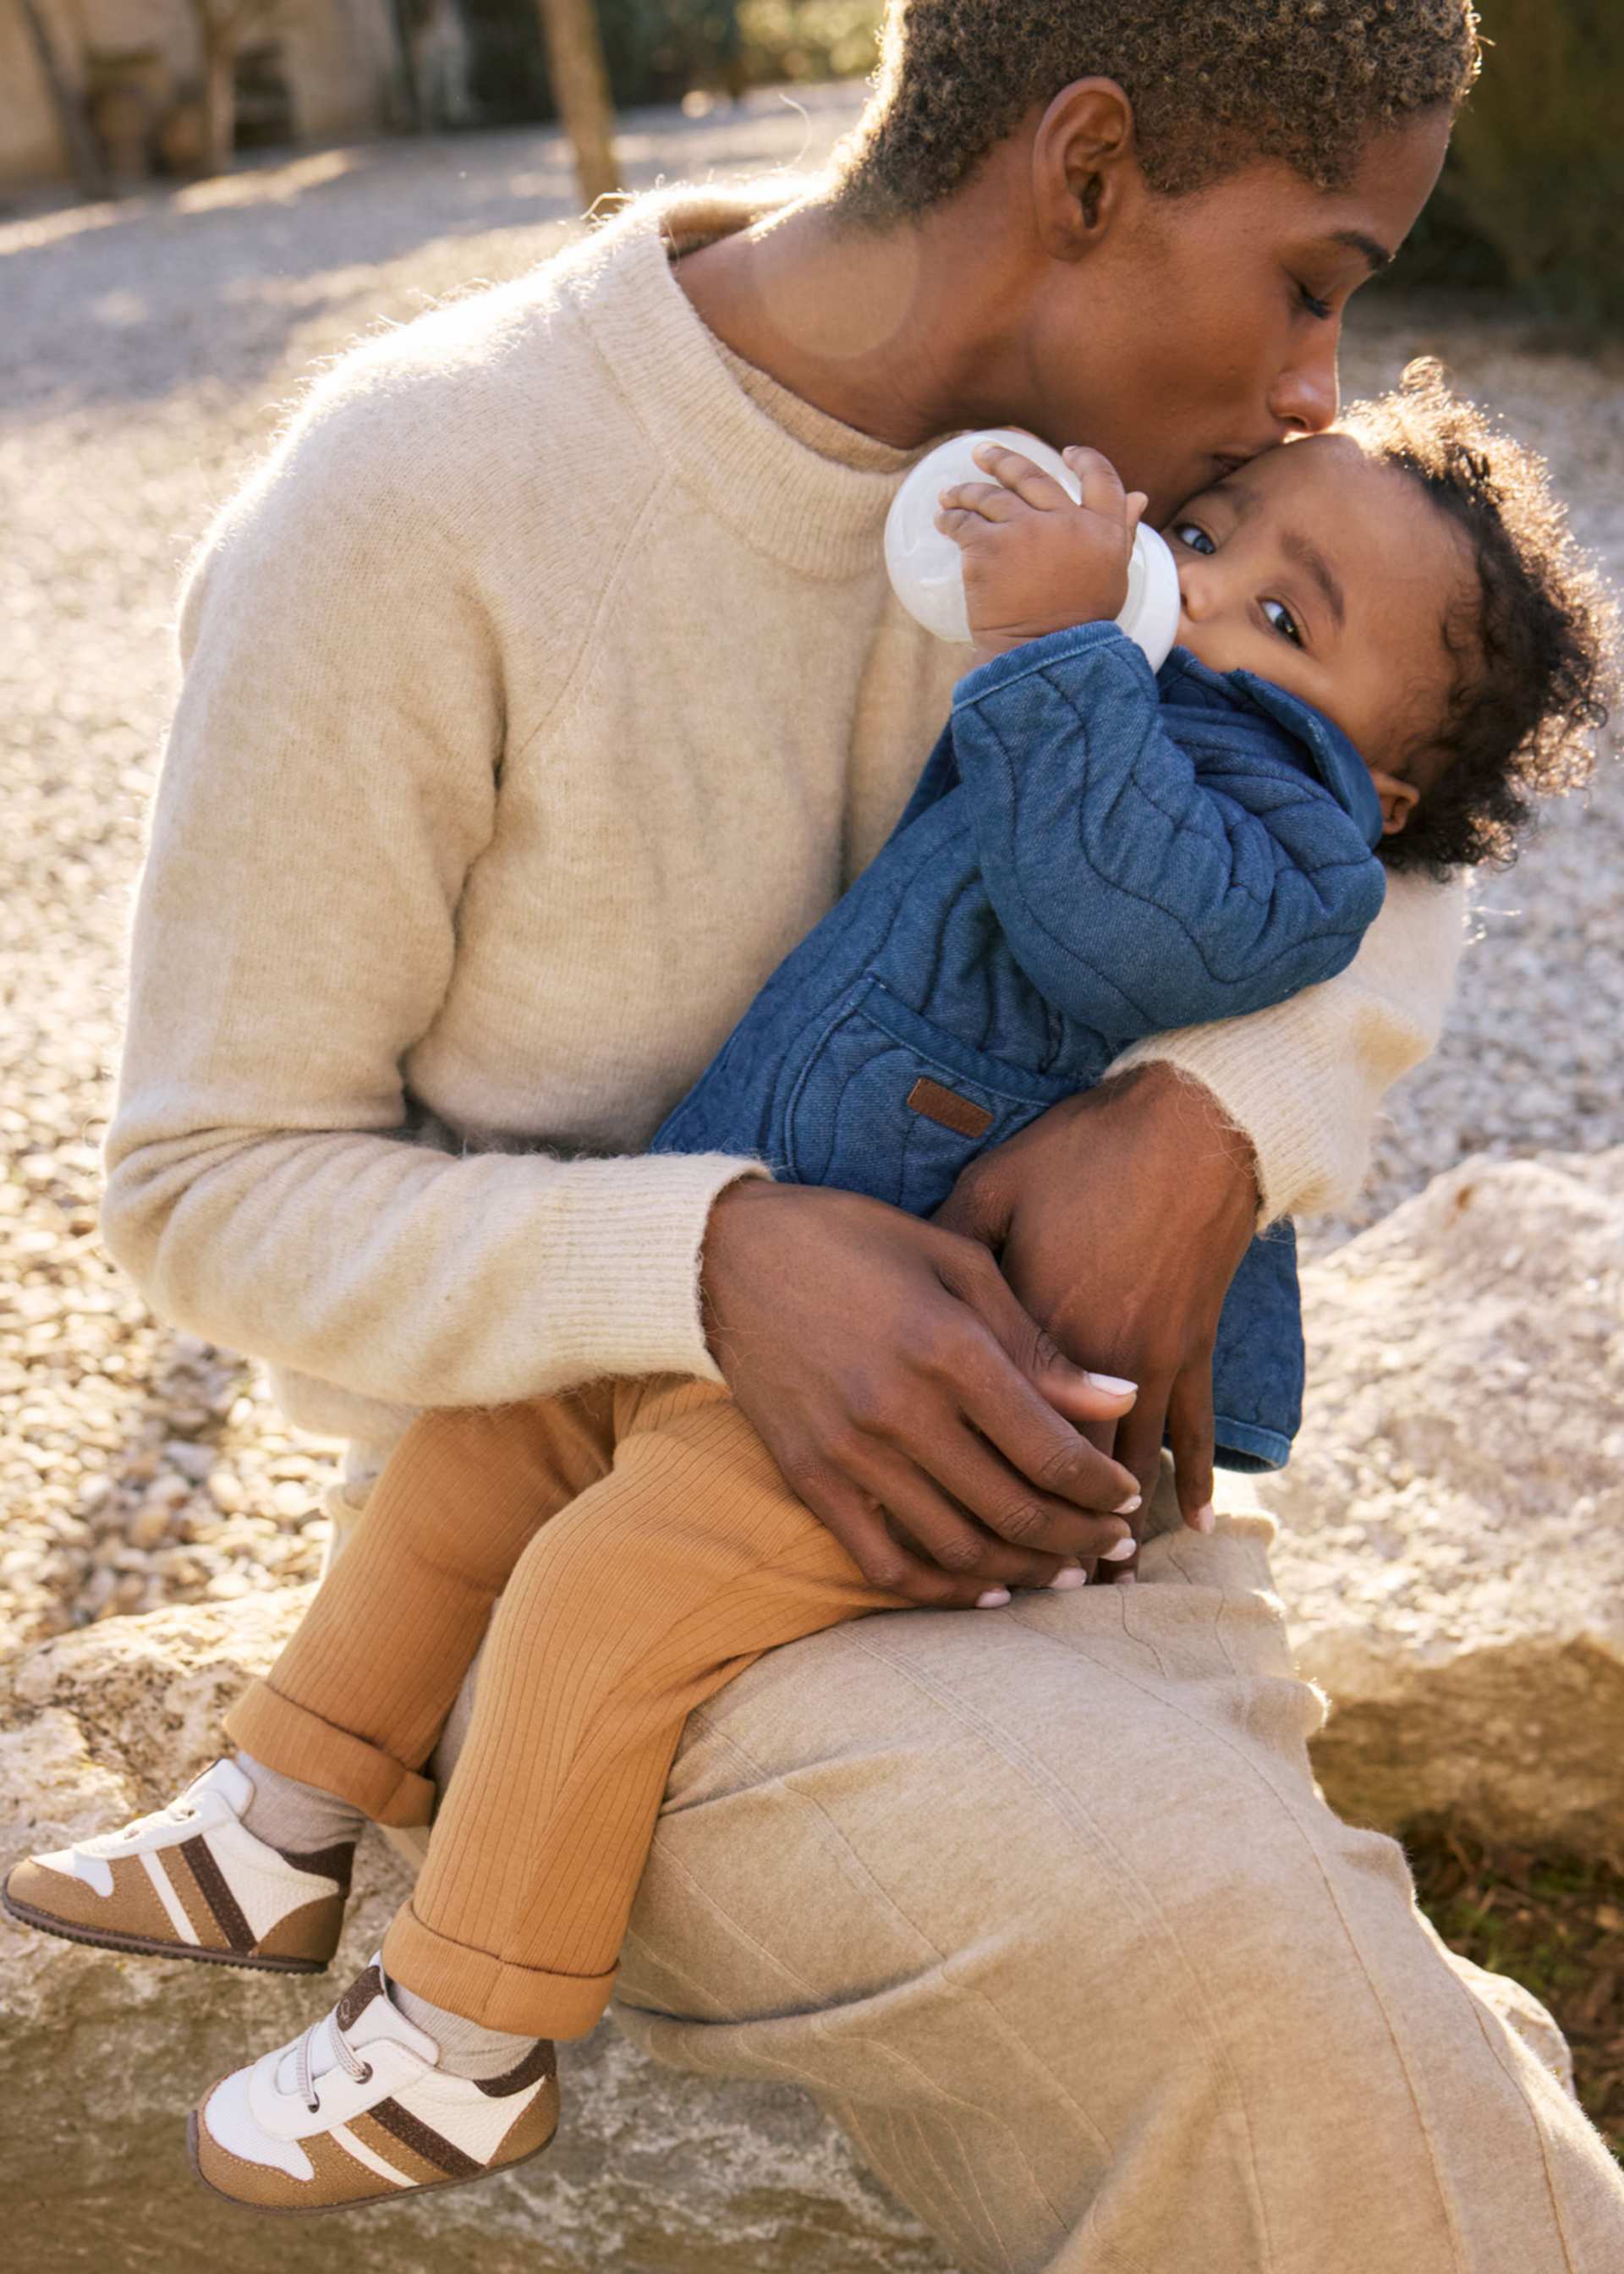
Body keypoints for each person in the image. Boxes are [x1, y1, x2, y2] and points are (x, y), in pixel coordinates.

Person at [37, 0, 1624, 2260]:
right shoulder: (419, 497)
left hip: (1084, 1495)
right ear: (1084, 176)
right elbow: (200, 1189)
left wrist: (1215, 1119)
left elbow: (1405, 825)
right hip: (601, 1542)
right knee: (1255, 1979)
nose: (1317, 396)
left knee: (1355, 2039)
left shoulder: (1167, 530)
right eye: (1316, 279)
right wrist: (706, 1258)